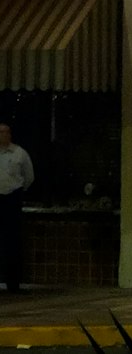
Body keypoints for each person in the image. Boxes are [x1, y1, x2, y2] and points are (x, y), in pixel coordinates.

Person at [0, 123, 34, 294]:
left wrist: (19, 191)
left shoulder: (19, 153)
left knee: (12, 242)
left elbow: (29, 176)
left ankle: (13, 282)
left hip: (12, 199)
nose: (3, 135)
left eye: (6, 132)